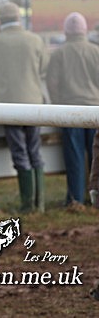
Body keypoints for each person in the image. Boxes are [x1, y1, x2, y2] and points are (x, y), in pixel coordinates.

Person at [0, 2, 49, 212]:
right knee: (35, 151)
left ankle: (27, 205)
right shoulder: (35, 40)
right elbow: (44, 67)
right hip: (34, 104)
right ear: (19, 18)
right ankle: (40, 204)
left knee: (20, 153)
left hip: (8, 105)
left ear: (0, 20)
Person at [45, 12, 99, 206]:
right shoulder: (96, 51)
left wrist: (59, 107)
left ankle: (75, 200)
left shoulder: (59, 53)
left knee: (74, 158)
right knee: (97, 158)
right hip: (95, 112)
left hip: (70, 113)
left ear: (66, 31)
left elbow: (52, 83)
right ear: (85, 30)